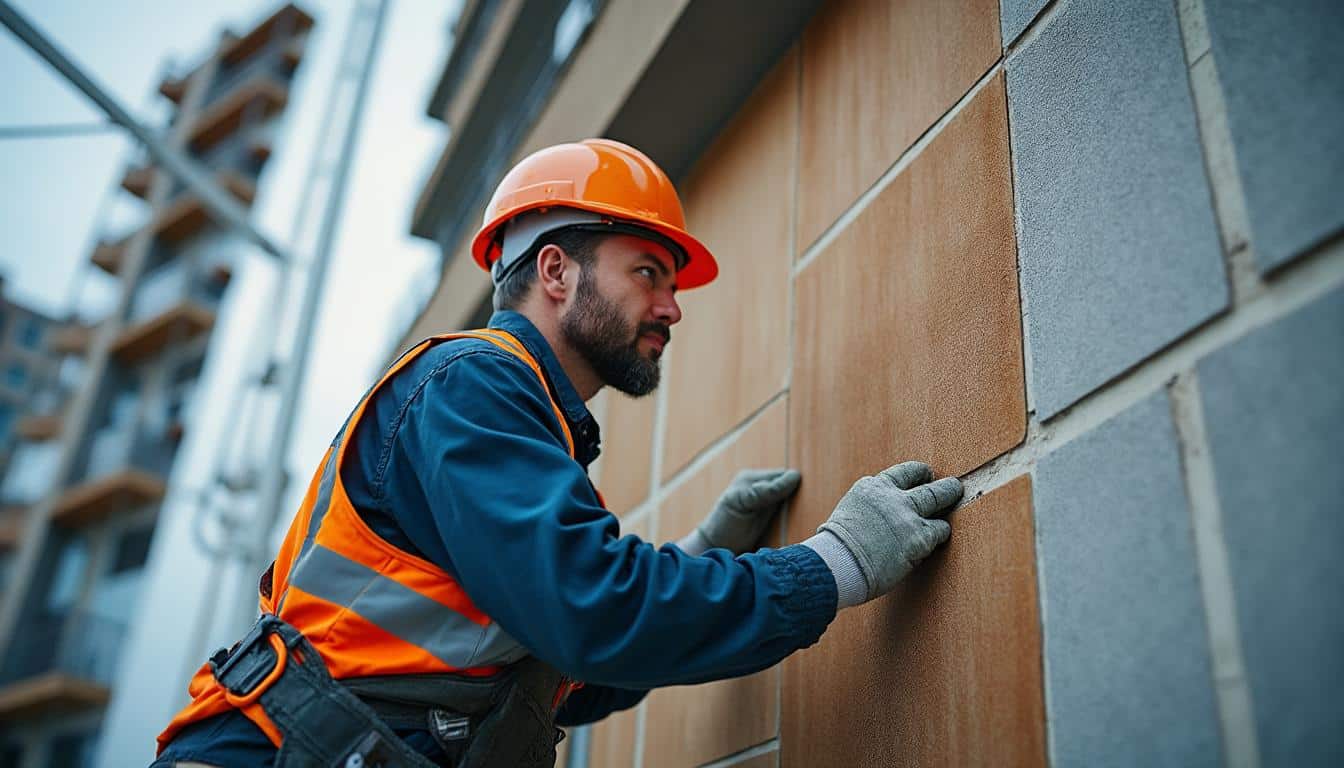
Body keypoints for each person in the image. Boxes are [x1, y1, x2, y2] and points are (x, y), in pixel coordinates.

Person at [151, 139, 963, 767]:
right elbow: (593, 614)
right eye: (649, 273)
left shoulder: (522, 419)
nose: (673, 308)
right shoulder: (473, 385)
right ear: (555, 271)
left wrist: (704, 553)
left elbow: (566, 676)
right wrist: (833, 565)